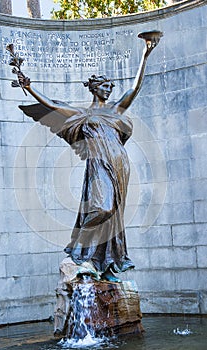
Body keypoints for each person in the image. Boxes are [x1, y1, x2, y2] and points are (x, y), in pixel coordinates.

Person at [14, 32, 161, 282]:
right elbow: (51, 105)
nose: (110, 88)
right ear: (94, 88)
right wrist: (29, 87)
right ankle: (78, 252)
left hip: (119, 166)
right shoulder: (82, 114)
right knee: (101, 208)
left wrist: (145, 55)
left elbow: (135, 88)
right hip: (99, 166)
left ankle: (103, 263)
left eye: (111, 86)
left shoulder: (116, 111)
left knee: (113, 214)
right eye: (105, 85)